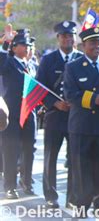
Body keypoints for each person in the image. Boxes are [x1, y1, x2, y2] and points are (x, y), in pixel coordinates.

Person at [63, 26, 99, 217]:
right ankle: (81, 208)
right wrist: (94, 99)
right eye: (93, 43)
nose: (97, 46)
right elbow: (70, 94)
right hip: (82, 127)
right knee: (82, 171)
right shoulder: (73, 66)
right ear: (83, 45)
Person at [36, 21, 82, 208]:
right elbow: (39, 88)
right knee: (51, 157)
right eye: (64, 36)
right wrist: (54, 103)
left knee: (74, 159)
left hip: (77, 117)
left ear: (74, 38)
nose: (67, 39)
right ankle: (51, 196)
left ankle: (72, 197)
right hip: (55, 115)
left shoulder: (81, 58)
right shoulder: (48, 60)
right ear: (58, 38)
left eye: (70, 35)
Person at [0, 26, 37, 199]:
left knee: (29, 149)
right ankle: (10, 186)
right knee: (10, 150)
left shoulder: (32, 64)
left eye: (28, 45)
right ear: (14, 47)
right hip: (12, 114)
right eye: (22, 44)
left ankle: (27, 182)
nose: (27, 47)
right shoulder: (8, 62)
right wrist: (5, 42)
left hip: (29, 113)